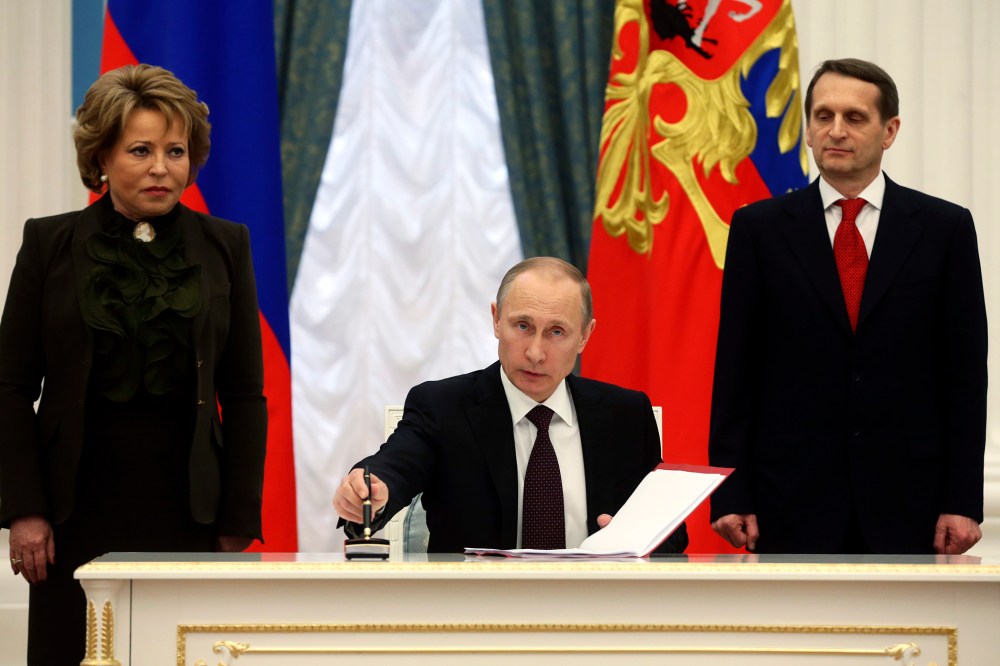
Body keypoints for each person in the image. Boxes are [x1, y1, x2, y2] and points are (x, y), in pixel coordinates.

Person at [0, 64, 267, 665]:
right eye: (140, 150)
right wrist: (25, 510)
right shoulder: (49, 243)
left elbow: (245, 392)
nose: (161, 167)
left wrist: (238, 516)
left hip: (188, 509)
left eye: (176, 151)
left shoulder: (227, 244)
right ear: (101, 157)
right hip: (73, 511)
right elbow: (11, 387)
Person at [708, 58, 987, 555]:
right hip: (787, 499)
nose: (835, 130)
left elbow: (964, 376)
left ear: (889, 130)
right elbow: (736, 372)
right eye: (822, 116)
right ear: (809, 130)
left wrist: (962, 499)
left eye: (855, 117)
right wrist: (731, 492)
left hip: (912, 502)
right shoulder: (759, 229)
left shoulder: (945, 229)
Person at [333, 257, 688, 553]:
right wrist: (369, 491)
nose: (535, 352)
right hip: (475, 620)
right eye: (522, 326)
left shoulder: (624, 415)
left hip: (597, 618)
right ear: (496, 320)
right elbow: (395, 467)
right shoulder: (443, 406)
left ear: (585, 335)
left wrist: (636, 541)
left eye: (557, 332)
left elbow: (672, 537)